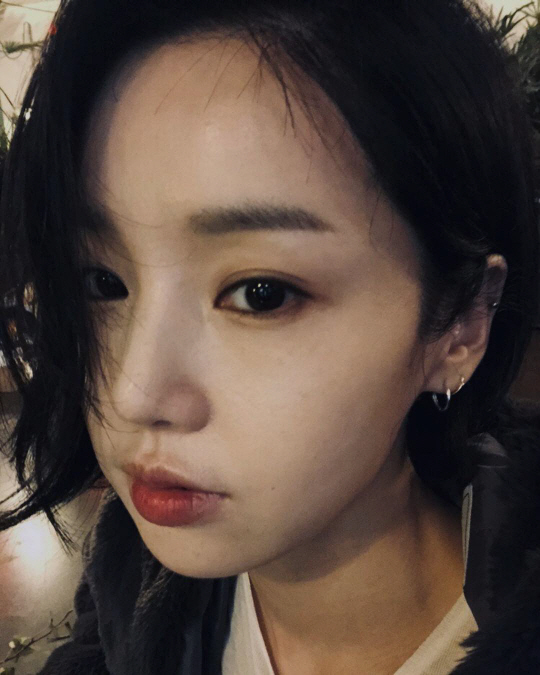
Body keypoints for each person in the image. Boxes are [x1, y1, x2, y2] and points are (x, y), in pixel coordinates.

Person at [0, 0, 539, 673]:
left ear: (460, 322)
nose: (133, 395)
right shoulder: (128, 592)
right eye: (103, 283)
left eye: (262, 293)